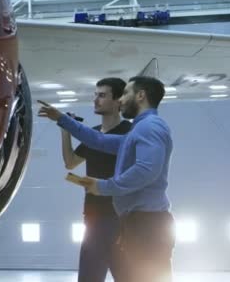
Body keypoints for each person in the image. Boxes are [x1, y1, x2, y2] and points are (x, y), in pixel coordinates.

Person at [39, 76, 175, 282]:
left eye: (126, 93)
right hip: (135, 222)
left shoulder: (149, 127)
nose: (121, 100)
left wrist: (104, 186)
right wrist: (62, 119)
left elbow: (147, 170)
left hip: (147, 224)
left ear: (140, 95)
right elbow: (99, 140)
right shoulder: (140, 129)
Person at [61, 78, 131, 282]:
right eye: (95, 95)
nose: (95, 100)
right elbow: (70, 162)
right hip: (93, 219)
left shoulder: (130, 133)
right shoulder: (92, 134)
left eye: (102, 95)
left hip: (122, 220)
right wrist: (65, 131)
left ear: (118, 101)